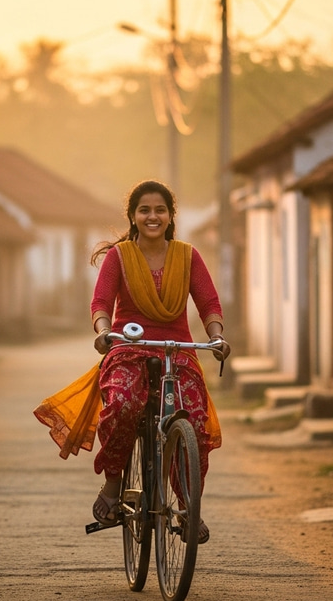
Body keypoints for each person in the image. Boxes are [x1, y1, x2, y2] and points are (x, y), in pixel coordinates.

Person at [34, 180, 230, 543]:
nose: (152, 216)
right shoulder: (119, 257)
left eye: (160, 210)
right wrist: (104, 330)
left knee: (196, 422)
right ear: (133, 216)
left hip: (177, 350)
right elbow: (100, 304)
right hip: (128, 346)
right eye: (145, 210)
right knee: (124, 404)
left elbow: (209, 305)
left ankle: (189, 506)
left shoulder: (188, 256)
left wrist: (216, 335)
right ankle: (112, 485)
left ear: (171, 216)